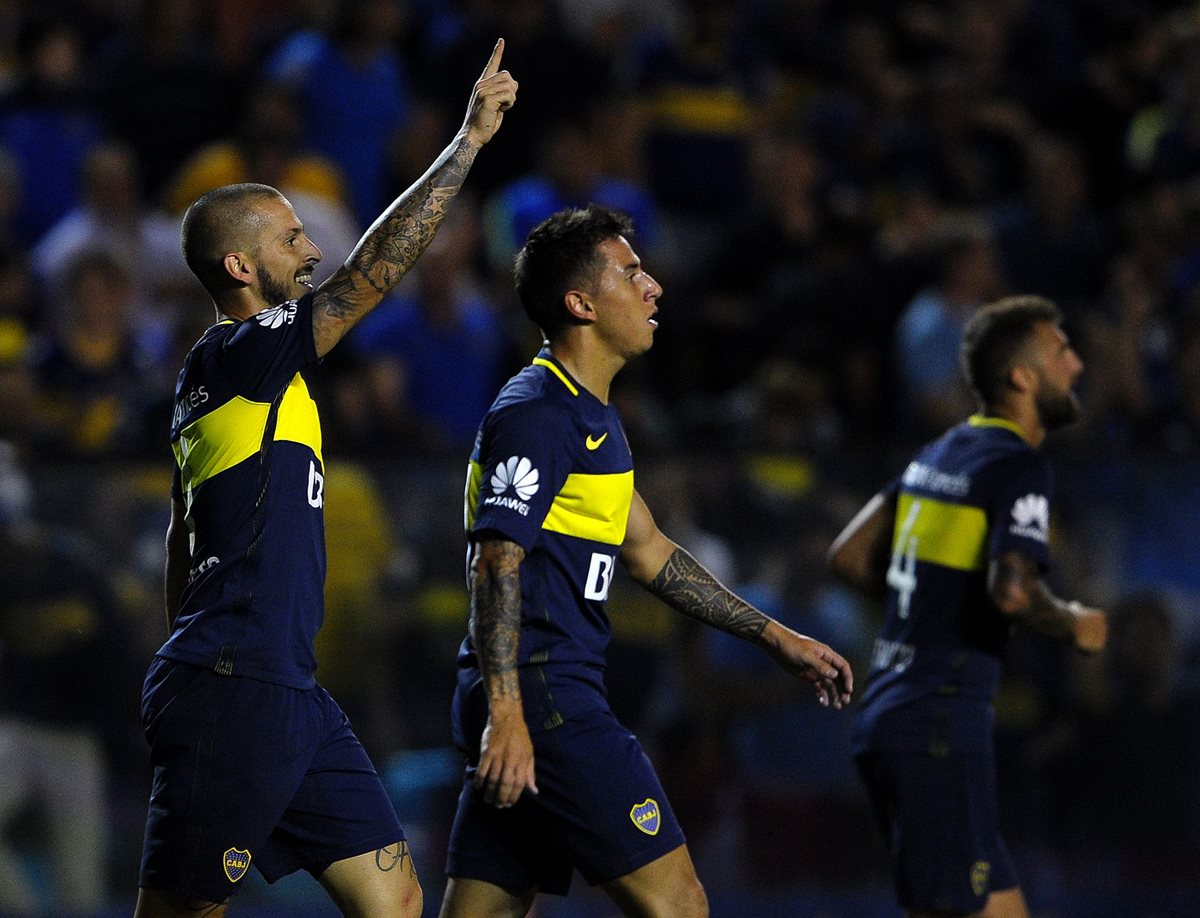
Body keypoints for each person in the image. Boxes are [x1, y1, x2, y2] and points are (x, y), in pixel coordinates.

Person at [134, 40, 516, 918]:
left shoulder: (238, 381)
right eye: (293, 236)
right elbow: (371, 278)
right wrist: (465, 146)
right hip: (238, 685)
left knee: (397, 901)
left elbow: (179, 537)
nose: (312, 249)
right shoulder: (242, 352)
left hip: (283, 686)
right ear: (240, 267)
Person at [440, 204, 854, 918]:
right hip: (544, 698)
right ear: (581, 303)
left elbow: (652, 553)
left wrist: (776, 638)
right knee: (681, 906)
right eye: (631, 273)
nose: (653, 286)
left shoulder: (591, 415)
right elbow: (495, 561)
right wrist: (509, 712)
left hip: (532, 697)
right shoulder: (537, 412)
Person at [827, 294, 1108, 918]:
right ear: (1022, 377)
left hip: (895, 716)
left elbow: (848, 554)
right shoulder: (1017, 466)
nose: (1080, 364)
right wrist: (1072, 623)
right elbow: (1012, 590)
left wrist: (932, 602)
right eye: (1063, 351)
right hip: (939, 728)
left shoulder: (941, 452)